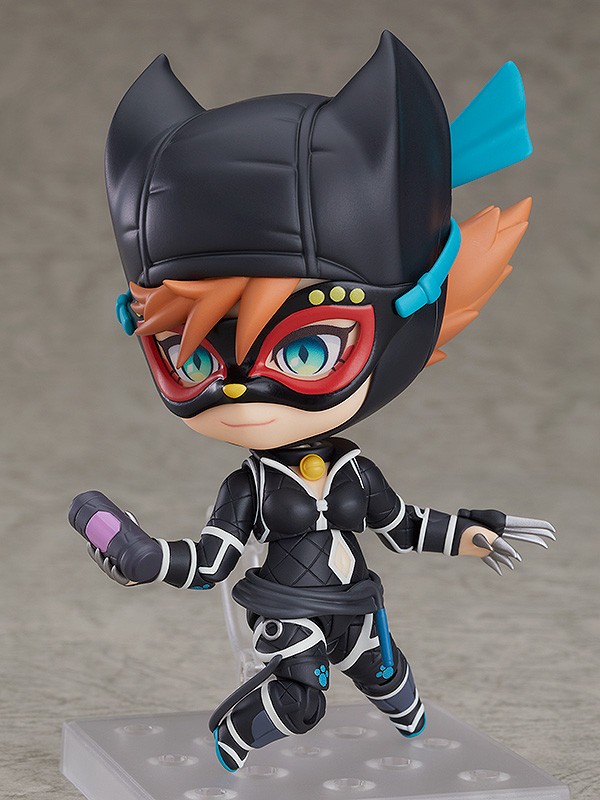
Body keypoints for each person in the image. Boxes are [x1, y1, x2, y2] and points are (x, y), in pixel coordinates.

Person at [69, 31, 555, 771]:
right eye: (192, 358)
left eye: (304, 351)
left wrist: (469, 533)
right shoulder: (252, 487)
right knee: (302, 700)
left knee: (395, 688)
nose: (239, 391)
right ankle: (234, 740)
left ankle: (407, 727)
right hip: (286, 614)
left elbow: (400, 524)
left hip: (358, 607)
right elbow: (212, 559)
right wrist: (144, 556)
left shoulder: (354, 471)